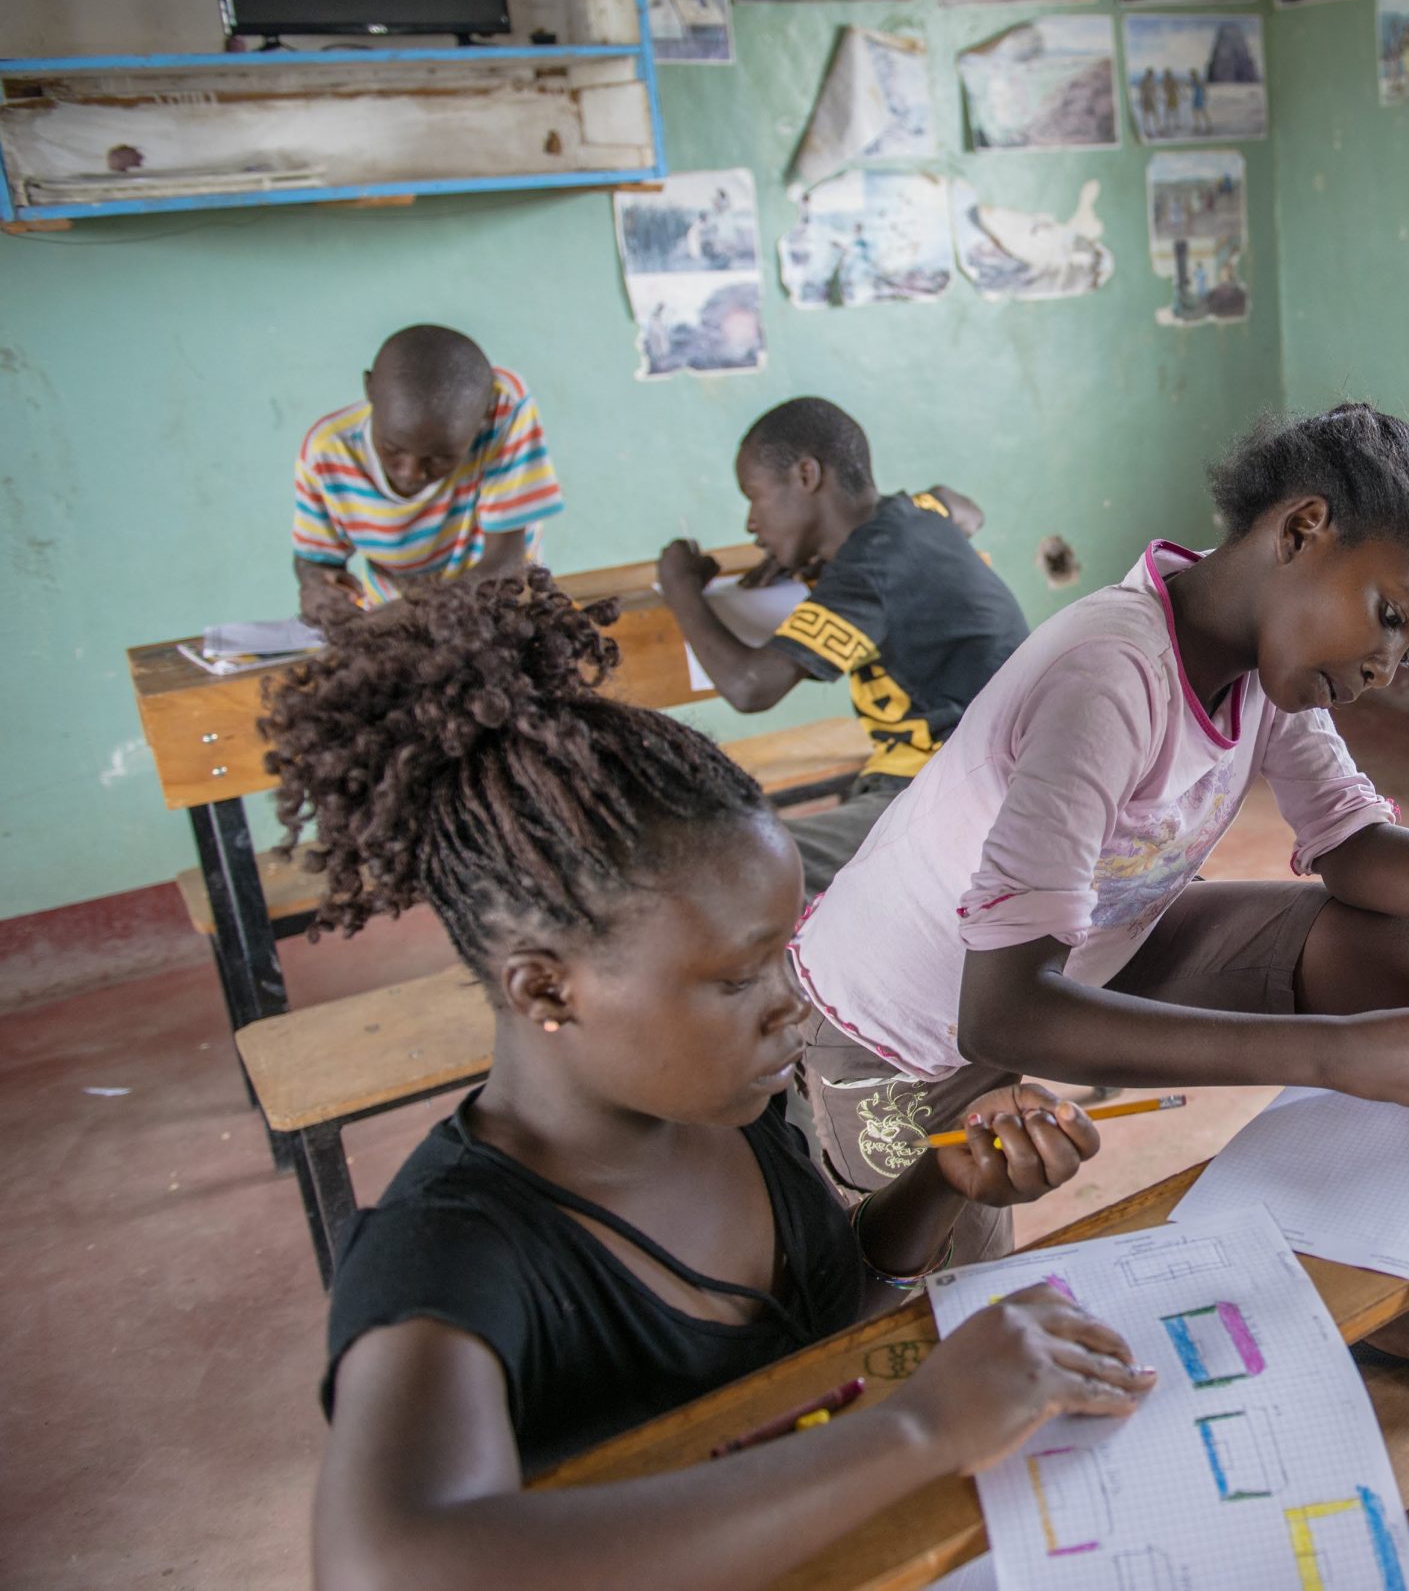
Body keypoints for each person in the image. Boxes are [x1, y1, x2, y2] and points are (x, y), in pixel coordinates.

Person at [273, 573, 1151, 1590]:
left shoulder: (735, 1113)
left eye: (786, 953)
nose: (793, 1003)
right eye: (739, 977)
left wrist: (936, 1187)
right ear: (546, 987)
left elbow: (824, 1321)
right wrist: (919, 1425)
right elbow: (386, 1567)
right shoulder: (449, 1248)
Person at [790, 403, 1409, 1391]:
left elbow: (1355, 847)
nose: (1387, 669)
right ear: (1302, 530)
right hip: (904, 1036)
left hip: (1088, 950)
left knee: (1389, 950)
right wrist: (1333, 1051)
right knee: (954, 1357)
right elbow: (1003, 1014)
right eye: (1390, 618)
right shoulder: (1108, 673)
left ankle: (1372, 1279)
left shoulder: (1262, 661)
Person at [658, 397, 1028, 900]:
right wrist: (813, 554)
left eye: (755, 496)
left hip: (955, 788)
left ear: (806, 475)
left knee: (742, 866)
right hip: (990, 771)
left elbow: (750, 687)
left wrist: (680, 588)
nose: (750, 522)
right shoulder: (915, 516)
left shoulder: (871, 564)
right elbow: (964, 509)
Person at [292, 325, 563, 625]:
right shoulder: (327, 452)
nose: (412, 473)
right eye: (392, 449)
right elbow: (315, 562)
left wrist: (411, 612)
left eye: (440, 458)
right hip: (393, 619)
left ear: (484, 415)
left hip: (496, 607)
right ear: (370, 389)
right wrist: (317, 587)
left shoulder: (503, 409)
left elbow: (506, 564)